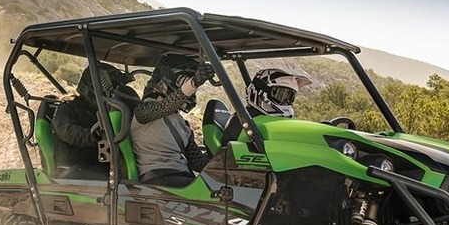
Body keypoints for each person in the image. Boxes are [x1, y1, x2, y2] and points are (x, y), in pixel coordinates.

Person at [131, 54, 214, 186]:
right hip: (157, 180)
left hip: (182, 179)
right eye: (184, 82)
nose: (192, 92)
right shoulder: (143, 110)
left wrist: (227, 163)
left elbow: (198, 163)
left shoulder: (180, 123)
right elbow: (163, 107)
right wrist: (193, 84)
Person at [51, 62, 134, 179]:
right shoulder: (68, 107)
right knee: (119, 185)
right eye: (109, 90)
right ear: (93, 88)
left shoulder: (105, 110)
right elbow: (70, 133)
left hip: (98, 166)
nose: (112, 96)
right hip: (74, 168)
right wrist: (98, 135)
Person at [220, 68, 311, 146]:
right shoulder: (243, 120)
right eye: (280, 95)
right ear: (259, 92)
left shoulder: (270, 121)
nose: (285, 103)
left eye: (289, 97)